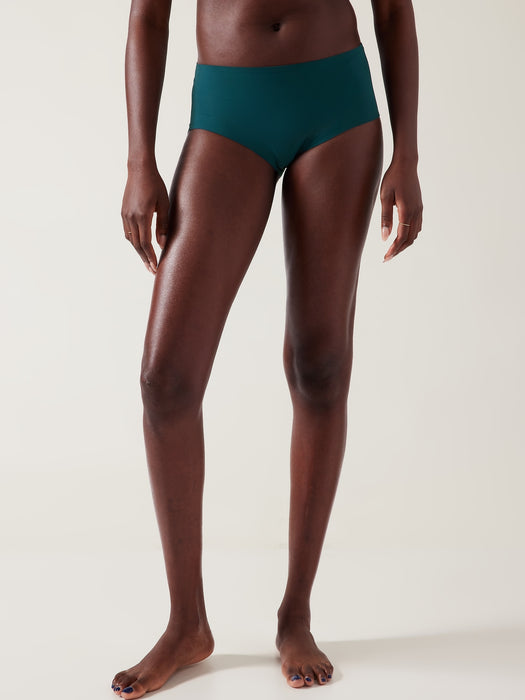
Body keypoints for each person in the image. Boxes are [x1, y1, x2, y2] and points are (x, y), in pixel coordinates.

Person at [113, 0, 423, 696]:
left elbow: (393, 10)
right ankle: (186, 623)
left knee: (319, 368)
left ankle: (296, 614)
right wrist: (139, 159)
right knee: (166, 382)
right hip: (229, 109)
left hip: (338, 107)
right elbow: (148, 18)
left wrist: (406, 154)